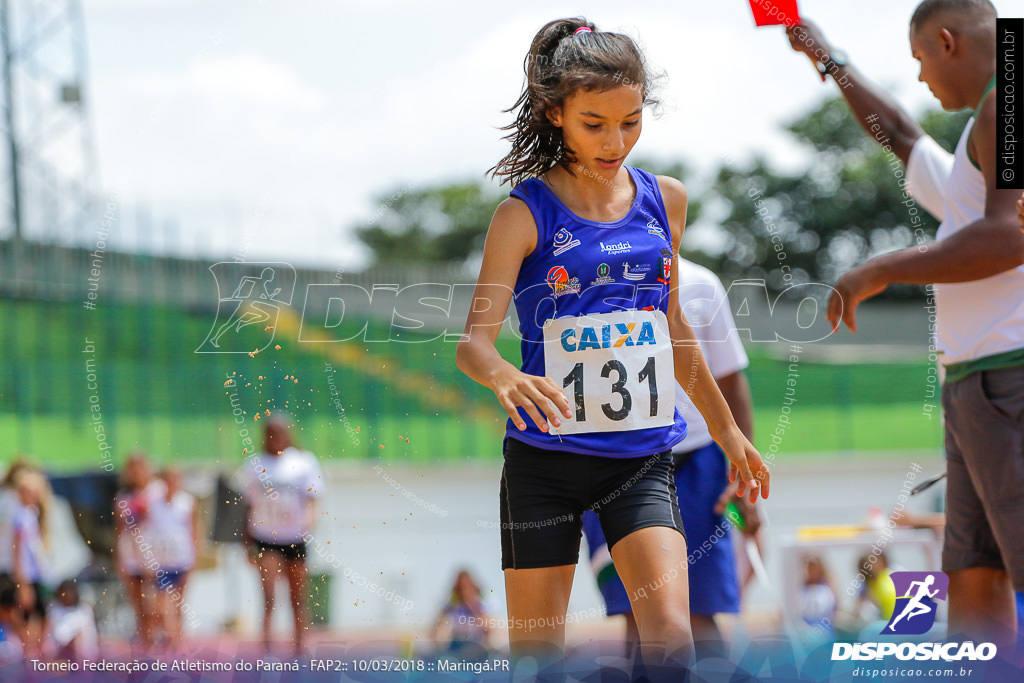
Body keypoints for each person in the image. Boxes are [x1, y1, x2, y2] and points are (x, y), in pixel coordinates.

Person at [457, 17, 770, 674]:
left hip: (641, 460)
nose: (616, 141)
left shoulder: (666, 201)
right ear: (555, 113)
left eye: (630, 122)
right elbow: (473, 346)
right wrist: (505, 376)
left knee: (671, 642)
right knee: (538, 659)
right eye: (595, 123)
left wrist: (728, 433)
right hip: (544, 461)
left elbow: (676, 332)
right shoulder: (524, 213)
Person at [785, 0, 1024, 647]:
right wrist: (829, 59)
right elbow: (901, 134)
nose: (920, 79)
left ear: (947, 41)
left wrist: (882, 267)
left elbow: (1011, 237)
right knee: (975, 574)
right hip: (975, 382)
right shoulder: (982, 139)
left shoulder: (1011, 100)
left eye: (921, 60)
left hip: (1010, 375)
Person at [580, 257, 760, 661]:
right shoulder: (583, 274)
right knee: (635, 611)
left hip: (697, 461)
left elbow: (731, 378)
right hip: (610, 461)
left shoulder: (701, 283)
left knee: (700, 609)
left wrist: (742, 477)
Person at [234, 415, 323, 656]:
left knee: (298, 596)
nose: (276, 438)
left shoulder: (304, 462)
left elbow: (312, 499)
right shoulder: (254, 464)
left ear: (289, 433)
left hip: (294, 537)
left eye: (281, 432)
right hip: (265, 536)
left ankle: (300, 645)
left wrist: (309, 521)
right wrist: (246, 543)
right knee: (269, 594)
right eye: (271, 433)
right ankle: (267, 646)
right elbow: (248, 506)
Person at [113, 450, 164, 651]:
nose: (136, 472)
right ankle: (145, 644)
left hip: (155, 555)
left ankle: (160, 641)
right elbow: (119, 529)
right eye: (131, 468)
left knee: (155, 603)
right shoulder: (123, 497)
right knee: (138, 605)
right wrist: (118, 558)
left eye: (140, 466)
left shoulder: (159, 491)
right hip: (131, 556)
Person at [149, 467, 198, 652]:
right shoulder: (153, 503)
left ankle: (177, 640)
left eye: (175, 479)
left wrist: (194, 557)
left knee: (179, 603)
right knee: (161, 604)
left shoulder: (187, 502)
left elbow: (194, 530)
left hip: (182, 559)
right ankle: (165, 637)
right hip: (161, 561)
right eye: (168, 480)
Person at [10, 467, 52, 657]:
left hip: (36, 573)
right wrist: (22, 583)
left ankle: (35, 653)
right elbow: (17, 550)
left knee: (42, 614)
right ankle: (30, 654)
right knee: (28, 615)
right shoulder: (19, 516)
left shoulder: (32, 513)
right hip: (26, 576)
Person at [430, 569, 491, 660]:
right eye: (462, 588)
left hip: (474, 643)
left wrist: (472, 605)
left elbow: (488, 628)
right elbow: (437, 623)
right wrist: (436, 640)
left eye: (467, 587)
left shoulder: (480, 603)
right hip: (456, 642)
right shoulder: (453, 603)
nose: (465, 591)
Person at [47, 579, 99, 661]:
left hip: (83, 656)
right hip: (60, 655)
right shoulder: (54, 610)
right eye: (65, 592)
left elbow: (88, 637)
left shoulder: (84, 610)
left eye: (70, 592)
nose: (68, 595)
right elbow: (51, 637)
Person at [798, 555, 837, 638]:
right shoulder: (802, 588)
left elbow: (833, 610)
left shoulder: (827, 587)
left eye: (814, 568)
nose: (812, 571)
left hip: (824, 630)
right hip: (805, 630)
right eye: (809, 568)